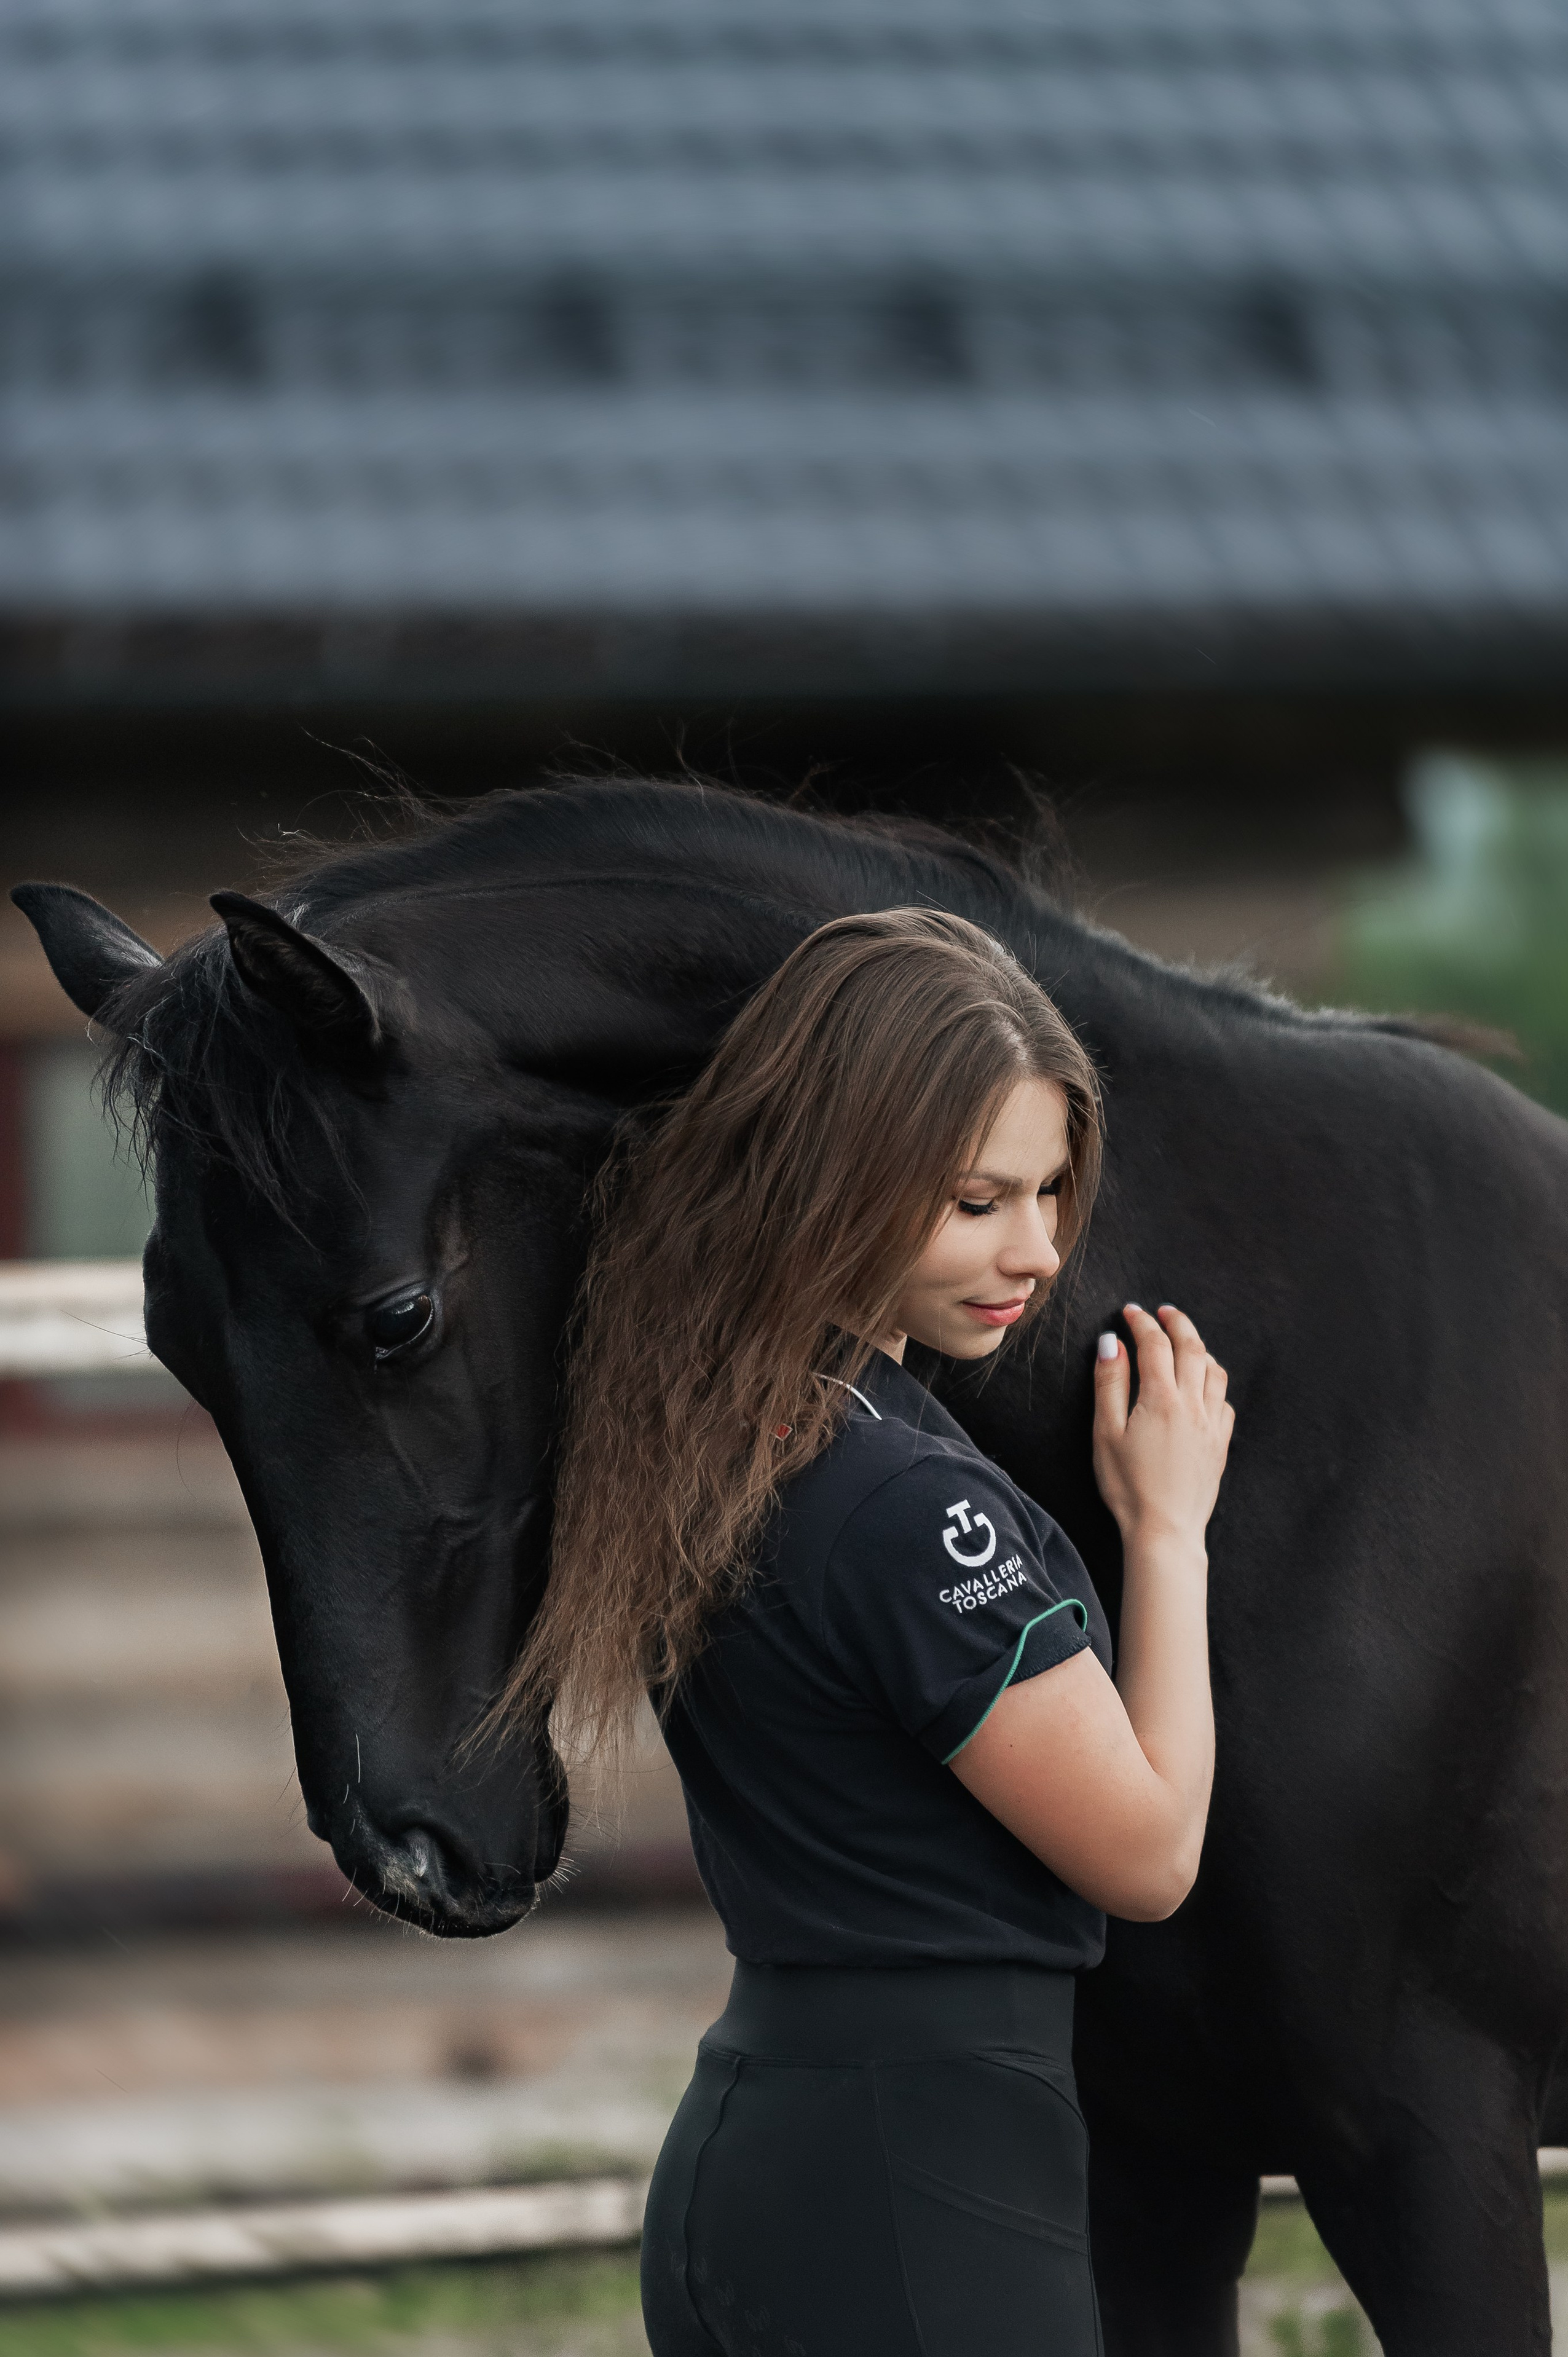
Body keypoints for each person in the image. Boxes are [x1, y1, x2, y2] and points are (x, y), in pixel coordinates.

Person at [506, 908, 1234, 2356]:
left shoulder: (713, 1432)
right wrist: (1165, 1532)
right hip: (928, 2182)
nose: (1030, 1249)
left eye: (1046, 1191)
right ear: (836, 1176)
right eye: (975, 1200)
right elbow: (1147, 1855)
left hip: (762, 2141)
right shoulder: (912, 1509)